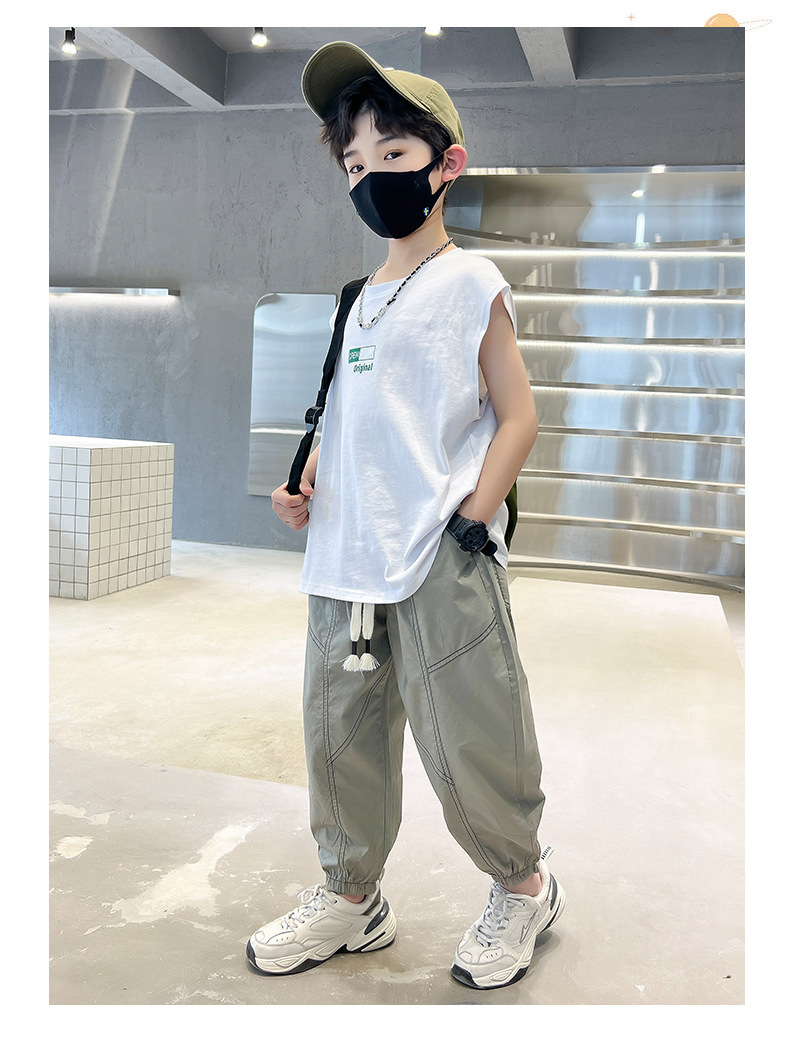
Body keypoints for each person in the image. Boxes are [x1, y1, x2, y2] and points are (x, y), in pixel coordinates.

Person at [246, 40, 564, 991]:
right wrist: (303, 483)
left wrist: (474, 517)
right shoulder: (359, 298)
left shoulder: (472, 282)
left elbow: (519, 415)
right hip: (344, 556)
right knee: (338, 735)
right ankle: (352, 896)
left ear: (445, 163)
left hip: (437, 550)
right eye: (355, 164)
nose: (371, 177)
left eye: (392, 155)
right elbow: (346, 416)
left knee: (472, 732)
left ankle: (524, 886)